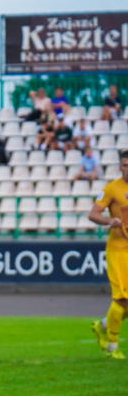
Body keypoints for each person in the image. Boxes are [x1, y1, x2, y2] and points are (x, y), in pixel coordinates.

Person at [89, 150, 128, 359]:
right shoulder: (112, 188)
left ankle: (103, 324)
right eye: (124, 165)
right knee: (121, 299)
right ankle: (112, 346)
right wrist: (109, 221)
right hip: (118, 249)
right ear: (120, 167)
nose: (127, 169)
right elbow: (93, 214)